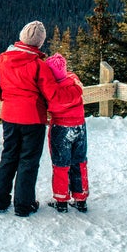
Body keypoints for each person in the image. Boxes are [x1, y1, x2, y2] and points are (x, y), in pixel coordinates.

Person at [0, 20, 57, 217]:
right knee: (28, 161)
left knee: (8, 157)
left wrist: (5, 97)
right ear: (39, 44)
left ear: (21, 38)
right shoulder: (39, 65)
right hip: (33, 119)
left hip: (10, 117)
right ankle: (24, 205)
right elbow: (52, 94)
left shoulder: (3, 58)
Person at [44, 52, 88, 212]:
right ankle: (81, 199)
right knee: (79, 162)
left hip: (61, 129)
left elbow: (47, 105)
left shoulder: (52, 91)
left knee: (60, 165)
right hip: (79, 127)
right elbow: (71, 77)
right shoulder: (74, 83)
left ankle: (61, 200)